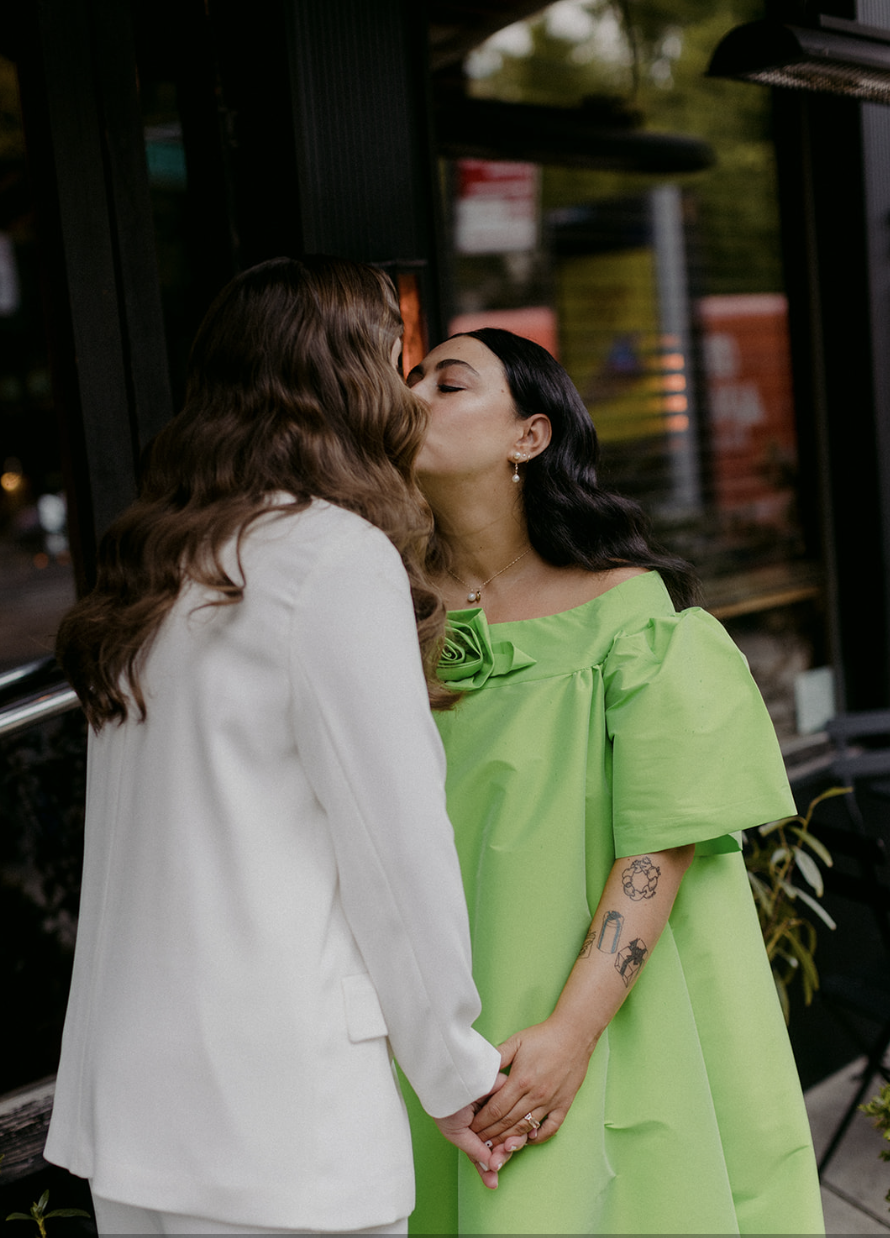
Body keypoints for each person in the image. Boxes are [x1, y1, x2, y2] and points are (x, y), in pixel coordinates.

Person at [43, 258, 507, 1236]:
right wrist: (454, 1066)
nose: (402, 382)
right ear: (344, 380)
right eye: (392, 356)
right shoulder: (330, 556)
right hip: (278, 1117)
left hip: (132, 1109)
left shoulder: (154, 562)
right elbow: (396, 851)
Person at [401, 327, 825, 1235]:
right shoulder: (380, 615)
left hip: (607, 1009)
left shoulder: (633, 621)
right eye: (409, 380)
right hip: (439, 1023)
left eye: (449, 382)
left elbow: (660, 849)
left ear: (530, 436)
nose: (414, 396)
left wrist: (567, 1037)